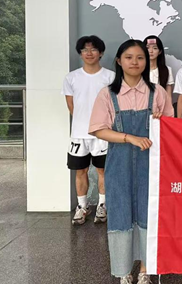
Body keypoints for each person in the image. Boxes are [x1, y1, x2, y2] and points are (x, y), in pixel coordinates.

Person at [89, 39, 174, 284]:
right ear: (119, 61)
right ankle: (124, 270)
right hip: (119, 164)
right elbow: (98, 129)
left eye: (140, 57)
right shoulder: (108, 94)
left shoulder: (157, 93)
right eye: (129, 57)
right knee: (120, 213)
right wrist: (129, 138)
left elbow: (171, 128)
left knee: (149, 214)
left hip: (152, 165)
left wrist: (160, 121)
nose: (134, 62)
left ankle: (145, 270)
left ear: (147, 61)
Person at [62, 35, 115, 225]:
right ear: (80, 53)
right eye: (85, 49)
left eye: (93, 49)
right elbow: (71, 106)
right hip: (79, 134)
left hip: (103, 133)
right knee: (80, 171)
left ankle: (102, 205)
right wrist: (83, 124)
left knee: (103, 170)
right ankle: (82, 206)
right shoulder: (71, 77)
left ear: (101, 53)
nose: (89, 53)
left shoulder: (110, 77)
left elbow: (114, 105)